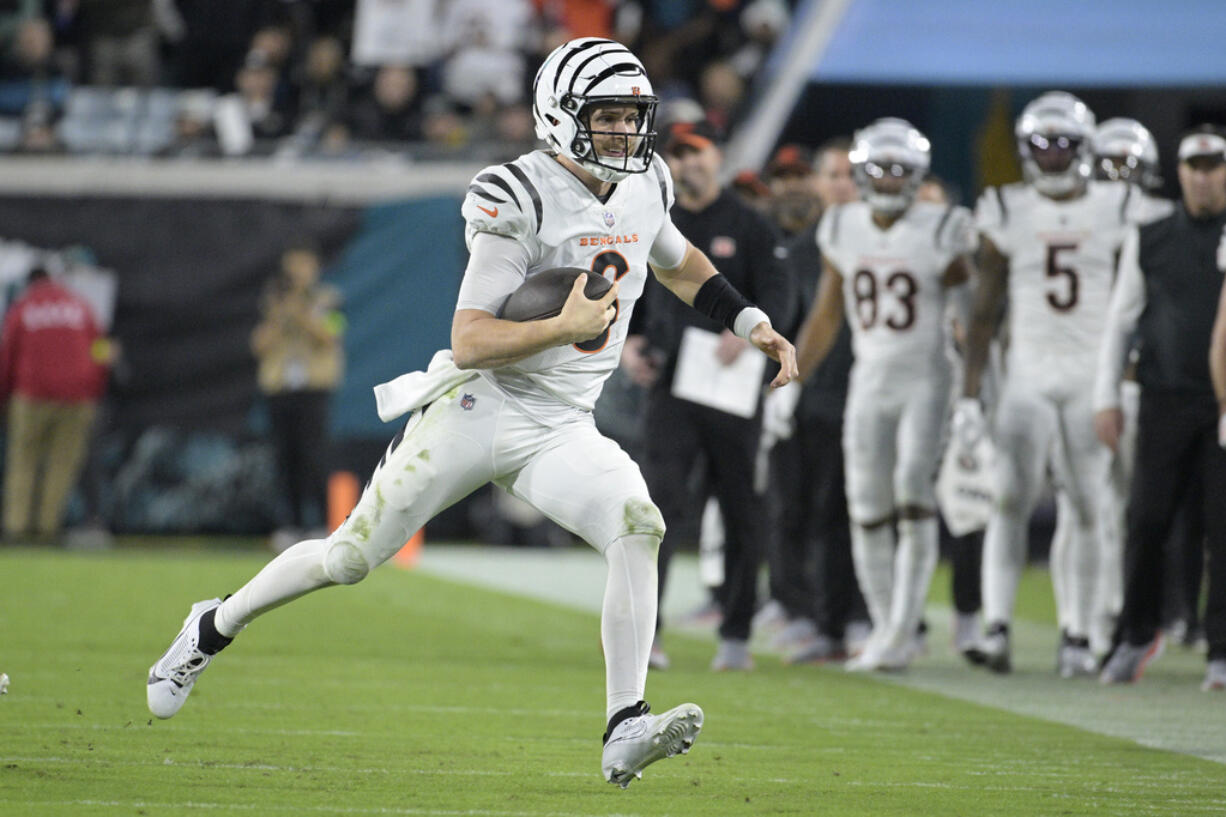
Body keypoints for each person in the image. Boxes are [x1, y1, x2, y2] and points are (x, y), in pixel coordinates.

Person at [145, 37, 798, 788]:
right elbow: (471, 336)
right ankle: (211, 624)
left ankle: (625, 723)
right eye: (608, 117)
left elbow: (676, 261)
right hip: (480, 405)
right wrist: (563, 326)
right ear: (559, 116)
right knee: (349, 556)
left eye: (632, 117)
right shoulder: (516, 192)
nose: (625, 133)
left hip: (561, 421)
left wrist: (748, 322)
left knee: (638, 523)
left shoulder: (647, 179)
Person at [953, 91, 1146, 677]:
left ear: (1085, 149)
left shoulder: (1119, 205)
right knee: (1008, 498)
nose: (1054, 156)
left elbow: (1135, 300)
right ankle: (998, 627)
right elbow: (984, 311)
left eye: (1064, 145)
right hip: (1028, 374)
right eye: (1043, 145)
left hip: (1092, 373)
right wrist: (968, 396)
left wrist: (1126, 375)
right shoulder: (1009, 208)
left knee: (1089, 502)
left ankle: (1078, 634)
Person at [791, 118, 975, 671]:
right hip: (869, 379)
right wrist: (789, 381)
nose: (891, 180)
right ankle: (883, 626)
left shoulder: (944, 226)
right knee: (866, 504)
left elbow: (971, 317)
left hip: (928, 377)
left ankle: (900, 627)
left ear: (918, 176)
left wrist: (973, 393)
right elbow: (827, 313)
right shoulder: (842, 226)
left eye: (901, 171)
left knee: (911, 494)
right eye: (881, 169)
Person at [622, 118, 795, 672]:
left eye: (696, 152)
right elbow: (633, 298)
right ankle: (649, 634)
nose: (688, 163)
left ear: (718, 156)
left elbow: (780, 294)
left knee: (741, 507)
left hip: (731, 392)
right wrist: (631, 346)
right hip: (672, 388)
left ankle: (737, 632)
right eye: (677, 154)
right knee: (658, 509)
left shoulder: (750, 225)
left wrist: (742, 335)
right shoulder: (656, 220)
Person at [1097, 126, 1226, 690]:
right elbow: (1121, 319)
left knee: (1223, 528)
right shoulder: (1150, 235)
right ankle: (1134, 635)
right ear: (1178, 171)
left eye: (1214, 164)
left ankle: (1221, 650)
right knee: (1147, 520)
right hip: (1164, 396)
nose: (1203, 175)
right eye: (1195, 164)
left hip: (1224, 403)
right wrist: (1106, 396)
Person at [759, 137, 869, 664]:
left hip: (880, 394)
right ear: (819, 183)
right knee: (815, 510)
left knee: (875, 511)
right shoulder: (803, 251)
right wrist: (787, 390)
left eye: (852, 174)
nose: (843, 184)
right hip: (821, 400)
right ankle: (821, 618)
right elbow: (791, 323)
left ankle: (872, 616)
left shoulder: (892, 242)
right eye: (835, 174)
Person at [1088, 118, 1179, 657]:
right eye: (1108, 167)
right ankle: (1105, 617)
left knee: (1150, 510)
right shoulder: (1071, 219)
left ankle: (1149, 613)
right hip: (1095, 378)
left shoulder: (1167, 223)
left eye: (1128, 167)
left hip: (1153, 381)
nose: (1118, 179)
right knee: (1104, 506)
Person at [0, 265, 111, 542]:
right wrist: (94, 388)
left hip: (32, 396)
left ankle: (16, 529)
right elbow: (100, 349)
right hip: (76, 398)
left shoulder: (23, 307)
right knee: (61, 464)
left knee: (23, 460)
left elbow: (6, 355)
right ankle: (46, 530)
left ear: (31, 283)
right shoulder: (80, 306)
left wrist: (3, 396)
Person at [251, 240, 345, 547]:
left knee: (314, 455)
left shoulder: (328, 299)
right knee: (284, 456)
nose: (298, 274)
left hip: (313, 388)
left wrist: (302, 314)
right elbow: (259, 345)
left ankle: (319, 522)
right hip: (280, 388)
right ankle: (289, 523)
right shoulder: (274, 302)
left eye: (303, 266)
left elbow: (330, 336)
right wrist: (282, 314)